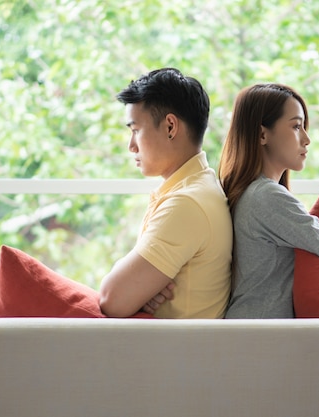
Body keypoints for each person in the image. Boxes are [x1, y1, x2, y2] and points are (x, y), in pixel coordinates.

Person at [218, 83, 319, 319]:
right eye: (296, 126)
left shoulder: (251, 193)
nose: (306, 139)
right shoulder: (266, 198)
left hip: (254, 333)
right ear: (262, 134)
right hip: (259, 340)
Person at [98, 68, 232, 319]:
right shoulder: (197, 188)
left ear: (170, 126)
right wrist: (143, 291)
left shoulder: (187, 203)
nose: (131, 146)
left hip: (175, 355)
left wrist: (136, 293)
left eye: (136, 129)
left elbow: (111, 299)